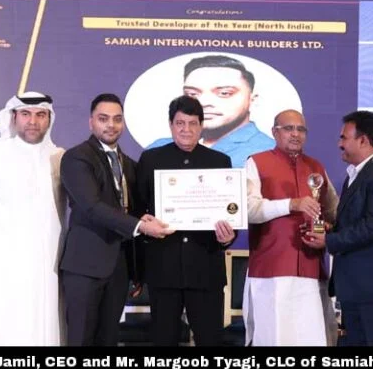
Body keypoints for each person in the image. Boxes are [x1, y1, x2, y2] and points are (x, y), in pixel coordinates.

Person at [58, 93, 174, 346]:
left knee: (109, 339)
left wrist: (137, 269)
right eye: (103, 119)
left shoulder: (130, 165)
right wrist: (140, 225)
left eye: (117, 119)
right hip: (85, 267)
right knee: (80, 339)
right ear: (91, 122)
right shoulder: (76, 158)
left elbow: (131, 211)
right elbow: (92, 207)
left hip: (119, 268)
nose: (111, 125)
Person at [0, 92, 67, 346]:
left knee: (45, 327)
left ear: (49, 118)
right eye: (26, 114)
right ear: (13, 117)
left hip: (48, 267)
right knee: (2, 329)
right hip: (2, 267)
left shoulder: (60, 157)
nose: (33, 121)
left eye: (40, 115)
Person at [302, 111, 373, 346]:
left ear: (363, 140)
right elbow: (356, 223)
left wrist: (329, 241)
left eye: (344, 137)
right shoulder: (357, 175)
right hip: (359, 288)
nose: (339, 144)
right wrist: (329, 230)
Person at [137, 95, 237, 346]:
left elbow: (228, 214)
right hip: (163, 268)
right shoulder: (150, 160)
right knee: (164, 340)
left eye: (193, 123)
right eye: (180, 123)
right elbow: (138, 211)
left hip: (206, 268)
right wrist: (145, 224)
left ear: (201, 126)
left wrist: (228, 238)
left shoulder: (220, 162)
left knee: (210, 340)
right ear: (170, 125)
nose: (186, 130)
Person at [242, 109, 339, 346]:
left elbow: (332, 212)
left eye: (301, 129)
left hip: (311, 267)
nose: (295, 134)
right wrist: (291, 204)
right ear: (274, 132)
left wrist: (325, 227)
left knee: (312, 338)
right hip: (271, 269)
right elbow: (249, 210)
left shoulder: (316, 167)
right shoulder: (256, 162)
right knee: (273, 339)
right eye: (288, 128)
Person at [147, 55, 276, 168]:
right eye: (192, 94)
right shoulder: (158, 149)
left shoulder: (268, 151)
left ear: (252, 99)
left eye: (224, 93)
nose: (204, 102)